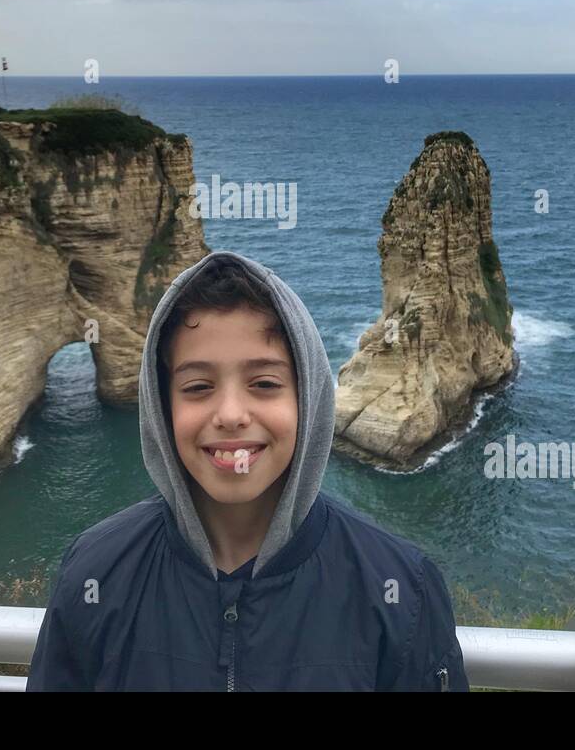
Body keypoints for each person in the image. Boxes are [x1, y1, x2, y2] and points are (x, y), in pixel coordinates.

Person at [26, 249, 469, 691]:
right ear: (163, 408)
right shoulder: (95, 572)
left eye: (264, 384)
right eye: (198, 387)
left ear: (307, 397)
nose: (232, 415)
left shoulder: (400, 590)